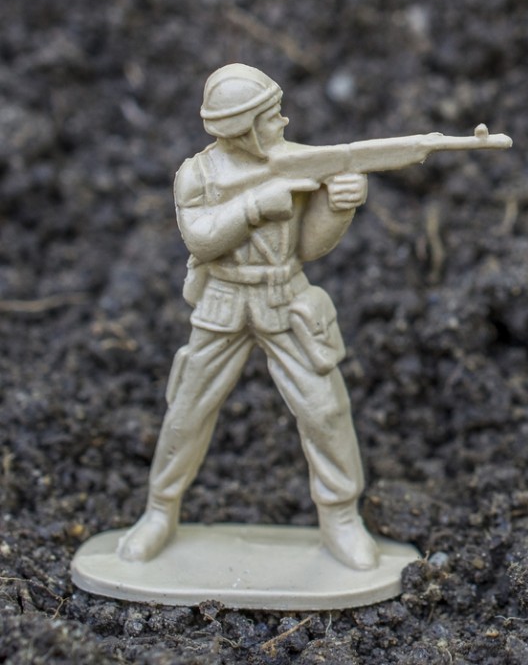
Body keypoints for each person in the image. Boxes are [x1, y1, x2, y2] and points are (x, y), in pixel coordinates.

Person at [117, 63, 378, 570]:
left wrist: (338, 207)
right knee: (188, 409)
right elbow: (201, 240)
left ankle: (341, 516)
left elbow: (307, 246)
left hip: (286, 297)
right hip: (223, 300)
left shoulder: (296, 162)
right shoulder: (197, 174)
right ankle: (160, 510)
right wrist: (256, 205)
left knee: (324, 408)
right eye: (270, 116)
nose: (283, 122)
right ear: (242, 127)